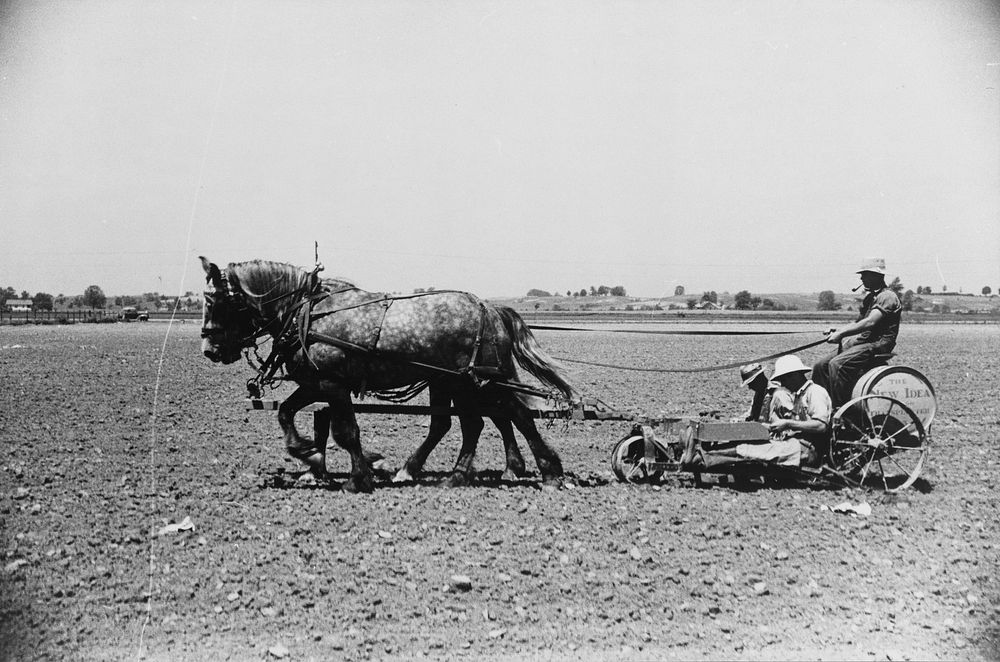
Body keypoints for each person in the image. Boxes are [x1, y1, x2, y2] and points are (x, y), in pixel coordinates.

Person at [682, 355, 832, 471]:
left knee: (750, 451)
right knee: (746, 447)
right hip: (793, 443)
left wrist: (786, 424)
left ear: (794, 375)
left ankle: (700, 459)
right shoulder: (799, 395)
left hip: (805, 449)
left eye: (783, 379)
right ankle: (701, 455)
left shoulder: (815, 392)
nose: (783, 384)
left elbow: (821, 426)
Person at [812, 257, 902, 407]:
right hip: (865, 341)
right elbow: (858, 322)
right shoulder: (871, 297)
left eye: (865, 274)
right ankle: (821, 406)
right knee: (820, 366)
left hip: (878, 343)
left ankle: (840, 408)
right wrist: (838, 329)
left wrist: (841, 334)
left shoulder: (887, 297)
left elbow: (870, 322)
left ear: (876, 276)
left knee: (837, 365)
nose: (861, 278)